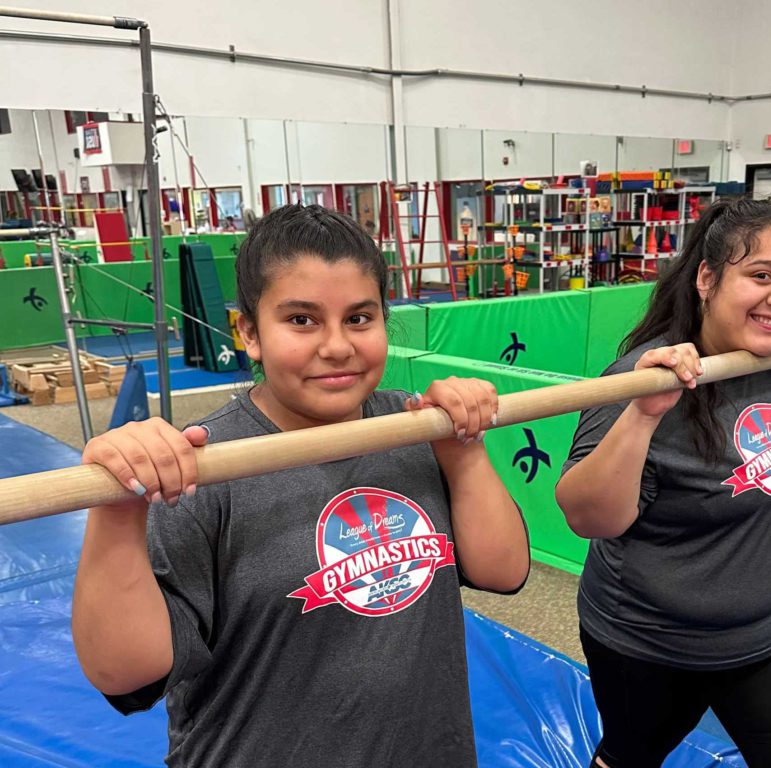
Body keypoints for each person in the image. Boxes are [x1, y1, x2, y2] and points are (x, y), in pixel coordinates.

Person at [72, 204, 530, 767]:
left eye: (359, 318)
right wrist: (117, 510)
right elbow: (126, 675)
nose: (337, 346)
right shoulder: (204, 468)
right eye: (302, 320)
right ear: (249, 332)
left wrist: (464, 447)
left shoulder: (414, 427)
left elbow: (504, 572)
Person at [555, 198, 771, 768]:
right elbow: (589, 518)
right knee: (630, 757)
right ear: (708, 280)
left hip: (767, 631)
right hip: (649, 640)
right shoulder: (642, 378)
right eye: (760, 275)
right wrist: (643, 414)